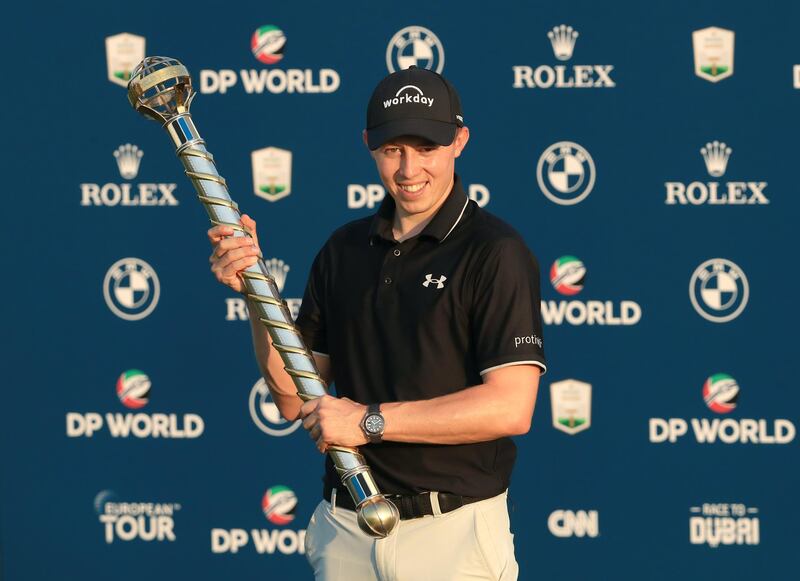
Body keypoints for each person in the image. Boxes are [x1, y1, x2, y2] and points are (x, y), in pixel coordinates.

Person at [207, 66, 546, 581]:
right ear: (368, 144)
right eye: (392, 150)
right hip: (347, 530)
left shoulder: (495, 252)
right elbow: (293, 398)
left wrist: (367, 420)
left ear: (460, 141)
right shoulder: (344, 250)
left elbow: (511, 407)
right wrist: (255, 291)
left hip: (451, 534)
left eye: (426, 148)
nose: (409, 170)